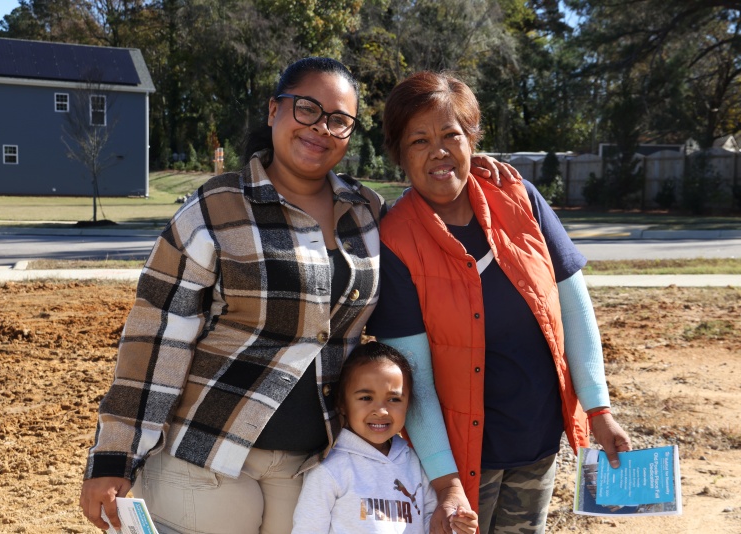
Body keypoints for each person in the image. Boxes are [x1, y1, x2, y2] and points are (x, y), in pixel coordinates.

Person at [79, 57, 517, 534]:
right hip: (207, 460)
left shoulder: (367, 212)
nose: (321, 129)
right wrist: (114, 457)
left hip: (308, 466)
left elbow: (432, 206)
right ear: (274, 111)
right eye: (306, 109)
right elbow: (154, 339)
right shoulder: (214, 208)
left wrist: (477, 176)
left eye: (339, 121)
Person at [366, 71, 632, 534]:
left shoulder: (520, 198)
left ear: (472, 140)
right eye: (419, 140)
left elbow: (574, 307)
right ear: (399, 154)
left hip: (537, 440)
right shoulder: (395, 239)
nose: (439, 151)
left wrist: (599, 410)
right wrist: (446, 481)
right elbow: (414, 378)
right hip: (461, 459)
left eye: (452, 134)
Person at [292, 341, 479, 533]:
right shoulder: (328, 468)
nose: (381, 411)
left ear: (408, 404)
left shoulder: (414, 462)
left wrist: (455, 525)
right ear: (341, 403)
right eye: (366, 398)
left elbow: (432, 525)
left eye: (394, 399)